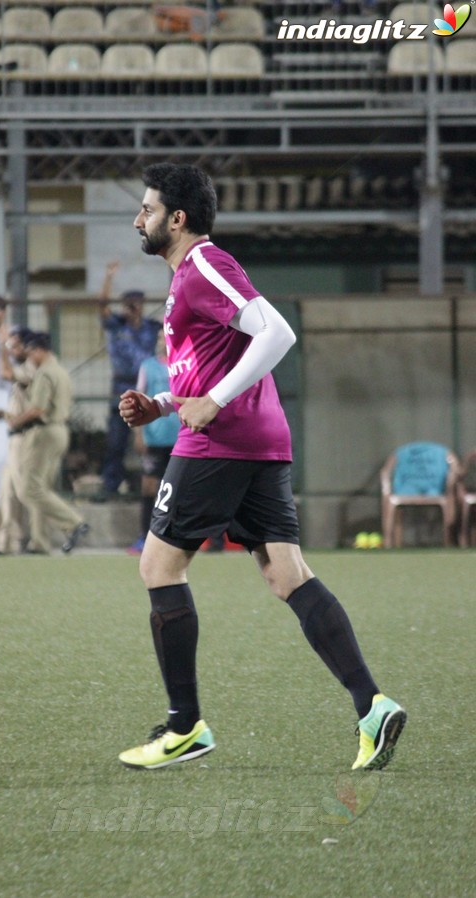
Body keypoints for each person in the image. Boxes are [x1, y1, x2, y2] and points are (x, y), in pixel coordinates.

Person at [117, 163, 407, 771]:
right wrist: (165, 403)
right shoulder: (188, 280)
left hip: (224, 441)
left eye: (146, 209)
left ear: (177, 218)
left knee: (158, 566)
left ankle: (185, 725)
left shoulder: (203, 266)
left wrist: (213, 404)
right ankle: (371, 706)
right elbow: (214, 363)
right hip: (258, 438)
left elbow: (277, 332)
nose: (137, 218)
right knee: (286, 575)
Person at [8, 331, 88, 555]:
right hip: (60, 431)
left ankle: (74, 523)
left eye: (31, 352)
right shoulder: (61, 371)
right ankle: (40, 542)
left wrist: (15, 422)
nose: (30, 357)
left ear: (37, 350)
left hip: (44, 432)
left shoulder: (44, 373)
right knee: (42, 489)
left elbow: (37, 409)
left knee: (28, 489)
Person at [94, 261, 162, 501]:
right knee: (116, 440)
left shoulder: (152, 328)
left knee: (152, 441)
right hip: (122, 387)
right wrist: (108, 278)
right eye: (130, 304)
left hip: (147, 387)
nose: (134, 308)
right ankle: (111, 485)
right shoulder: (116, 326)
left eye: (137, 304)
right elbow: (102, 307)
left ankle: (153, 487)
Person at [0, 325, 35, 556]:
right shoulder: (25, 369)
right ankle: (6, 544)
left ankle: (36, 542)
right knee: (8, 492)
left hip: (26, 440)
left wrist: (1, 347)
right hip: (16, 439)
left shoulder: (31, 368)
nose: (10, 350)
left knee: (26, 493)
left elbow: (4, 373)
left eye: (13, 345)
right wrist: (3, 414)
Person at [128, 330, 180, 554]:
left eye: (165, 337)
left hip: (182, 436)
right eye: (158, 337)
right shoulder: (147, 366)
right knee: (149, 486)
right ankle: (145, 536)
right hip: (155, 437)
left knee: (181, 487)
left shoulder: (184, 363)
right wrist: (138, 434)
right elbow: (138, 400)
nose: (162, 341)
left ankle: (179, 539)